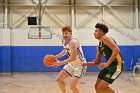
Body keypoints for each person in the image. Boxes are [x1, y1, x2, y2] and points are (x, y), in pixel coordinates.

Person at [82, 23, 123, 93]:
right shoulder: (99, 45)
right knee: (97, 87)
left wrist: (107, 63)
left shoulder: (106, 38)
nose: (94, 33)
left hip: (116, 66)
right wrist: (84, 64)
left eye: (96, 31)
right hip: (108, 66)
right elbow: (97, 61)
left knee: (101, 88)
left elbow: (116, 50)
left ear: (101, 32)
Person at [53, 26, 87, 93]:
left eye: (66, 33)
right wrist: (55, 57)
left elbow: (72, 57)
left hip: (80, 65)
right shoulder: (64, 41)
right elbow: (66, 50)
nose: (64, 35)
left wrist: (60, 63)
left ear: (70, 33)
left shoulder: (73, 42)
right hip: (71, 64)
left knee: (72, 87)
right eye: (63, 33)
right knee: (58, 80)